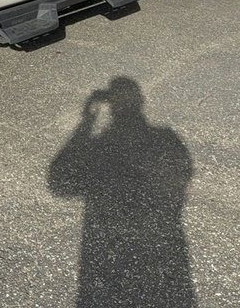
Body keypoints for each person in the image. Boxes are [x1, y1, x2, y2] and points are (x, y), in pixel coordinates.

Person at [48, 77, 196, 307]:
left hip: (109, 246)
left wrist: (87, 121)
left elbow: (59, 181)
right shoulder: (166, 138)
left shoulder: (101, 146)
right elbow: (183, 174)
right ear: (141, 101)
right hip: (160, 243)